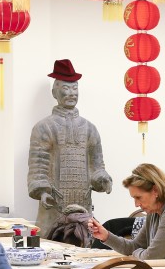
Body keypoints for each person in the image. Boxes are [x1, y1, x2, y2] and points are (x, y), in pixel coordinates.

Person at [28, 59, 112, 235]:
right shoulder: (43, 127)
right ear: (54, 92)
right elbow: (39, 165)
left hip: (83, 207)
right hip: (54, 206)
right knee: (50, 249)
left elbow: (96, 166)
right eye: (65, 88)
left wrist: (103, 179)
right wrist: (42, 191)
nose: (71, 93)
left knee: (83, 250)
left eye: (75, 89)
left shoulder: (90, 128)